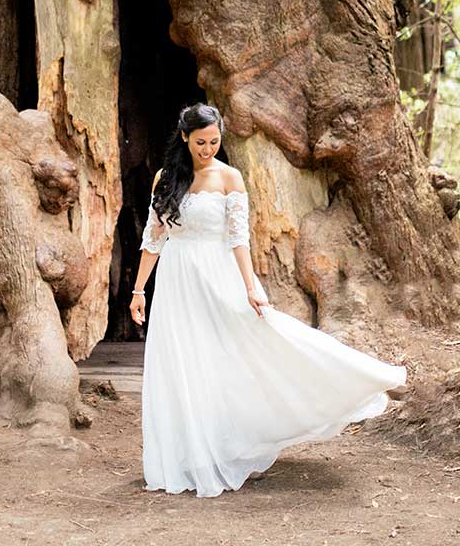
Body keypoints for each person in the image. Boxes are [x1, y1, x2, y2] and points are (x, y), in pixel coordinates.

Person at [129, 103, 408, 498]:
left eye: (214, 141)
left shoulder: (230, 178)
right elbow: (154, 239)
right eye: (200, 142)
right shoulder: (166, 178)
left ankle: (354, 379)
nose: (208, 149)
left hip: (217, 274)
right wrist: (139, 290)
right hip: (177, 280)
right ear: (184, 138)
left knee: (245, 347)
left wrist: (251, 286)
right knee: (181, 360)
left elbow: (237, 238)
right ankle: (188, 454)